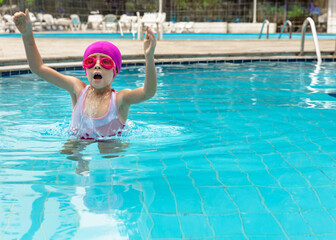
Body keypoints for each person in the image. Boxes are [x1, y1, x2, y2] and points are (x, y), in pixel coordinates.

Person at [13, 9, 157, 139]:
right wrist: (27, 35)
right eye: (91, 61)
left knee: (109, 152)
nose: (97, 65)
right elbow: (38, 68)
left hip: (109, 150)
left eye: (105, 62)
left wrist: (149, 58)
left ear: (115, 71)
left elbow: (148, 92)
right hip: (79, 147)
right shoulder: (78, 89)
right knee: (71, 150)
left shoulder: (120, 99)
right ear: (85, 69)